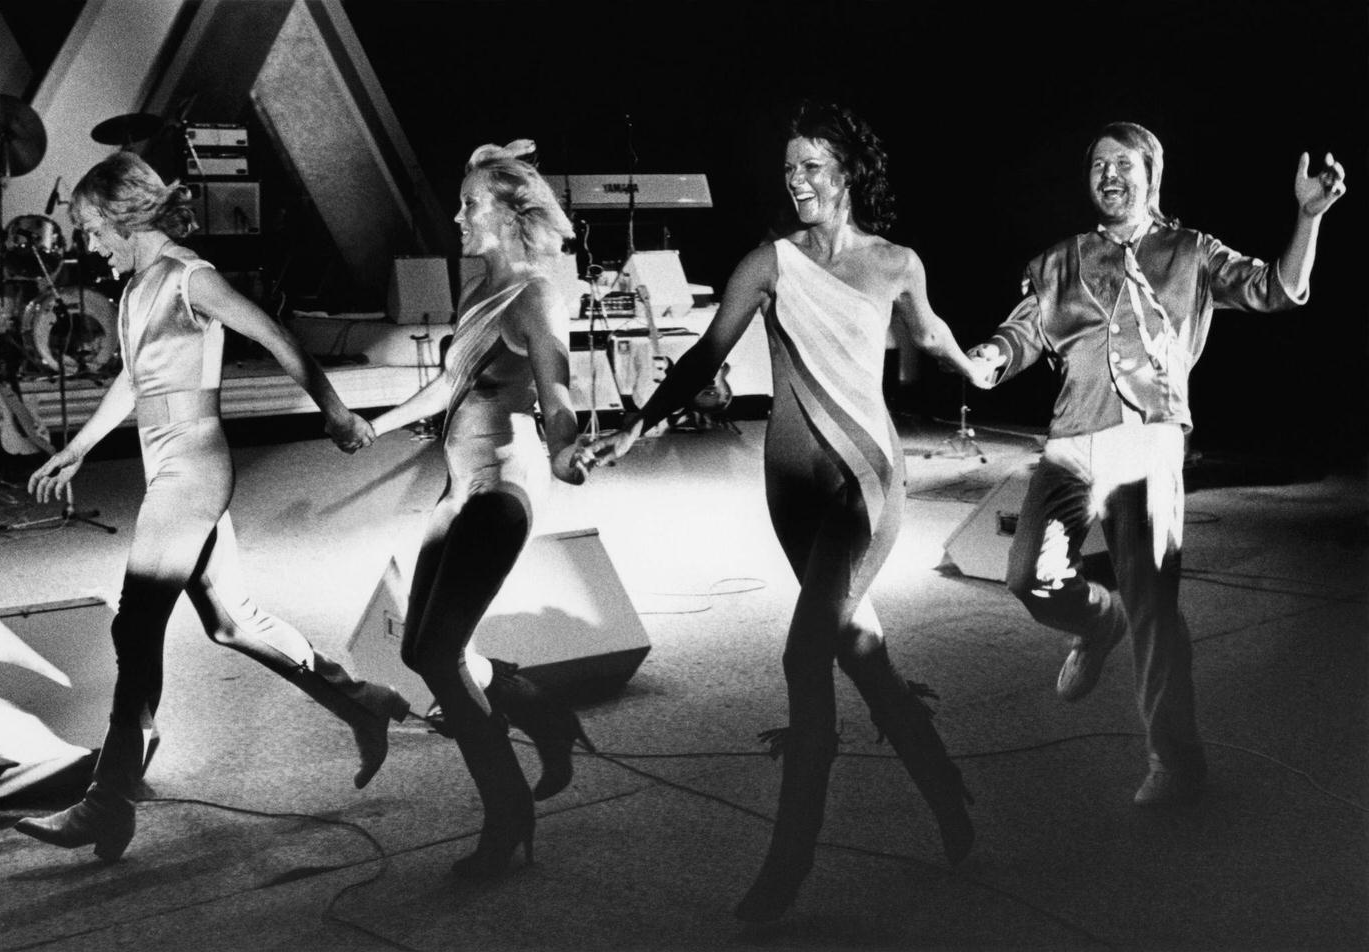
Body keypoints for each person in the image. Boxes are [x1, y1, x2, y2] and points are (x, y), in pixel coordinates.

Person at [590, 100, 996, 922]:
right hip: (790, 492)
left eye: (812, 166)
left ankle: (789, 860)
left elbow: (935, 332)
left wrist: (977, 363)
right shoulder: (767, 263)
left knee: (803, 657)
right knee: (857, 647)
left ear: (848, 172)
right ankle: (946, 791)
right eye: (788, 169)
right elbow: (706, 351)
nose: (798, 181)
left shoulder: (896, 263)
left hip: (864, 486)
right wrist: (638, 422)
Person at [13, 152, 411, 863]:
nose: (88, 241)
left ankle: (109, 802)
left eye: (91, 226)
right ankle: (363, 701)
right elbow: (135, 385)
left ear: (121, 214)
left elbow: (278, 337)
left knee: (136, 627)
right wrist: (77, 448)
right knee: (232, 623)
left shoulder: (188, 277)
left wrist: (337, 413)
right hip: (163, 462)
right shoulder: (136, 289)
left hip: (194, 469)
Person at [966, 122, 1346, 806]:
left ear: (1151, 174)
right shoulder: (1061, 260)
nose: (1108, 175)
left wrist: (1307, 218)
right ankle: (1095, 622)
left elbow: (1277, 289)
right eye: (1097, 165)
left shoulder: (1191, 252)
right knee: (1028, 575)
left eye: (1123, 164)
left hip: (1149, 443)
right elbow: (1023, 329)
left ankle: (1175, 761)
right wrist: (991, 357)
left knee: (1155, 606)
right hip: (1072, 442)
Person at [367, 140, 594, 880]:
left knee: (437, 652)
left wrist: (567, 446)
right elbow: (451, 387)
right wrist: (376, 423)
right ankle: (547, 713)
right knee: (419, 650)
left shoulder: (535, 294)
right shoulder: (476, 293)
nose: (458, 217)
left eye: (469, 206)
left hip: (504, 487)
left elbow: (556, 392)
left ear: (507, 214)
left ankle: (509, 815)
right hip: (461, 485)